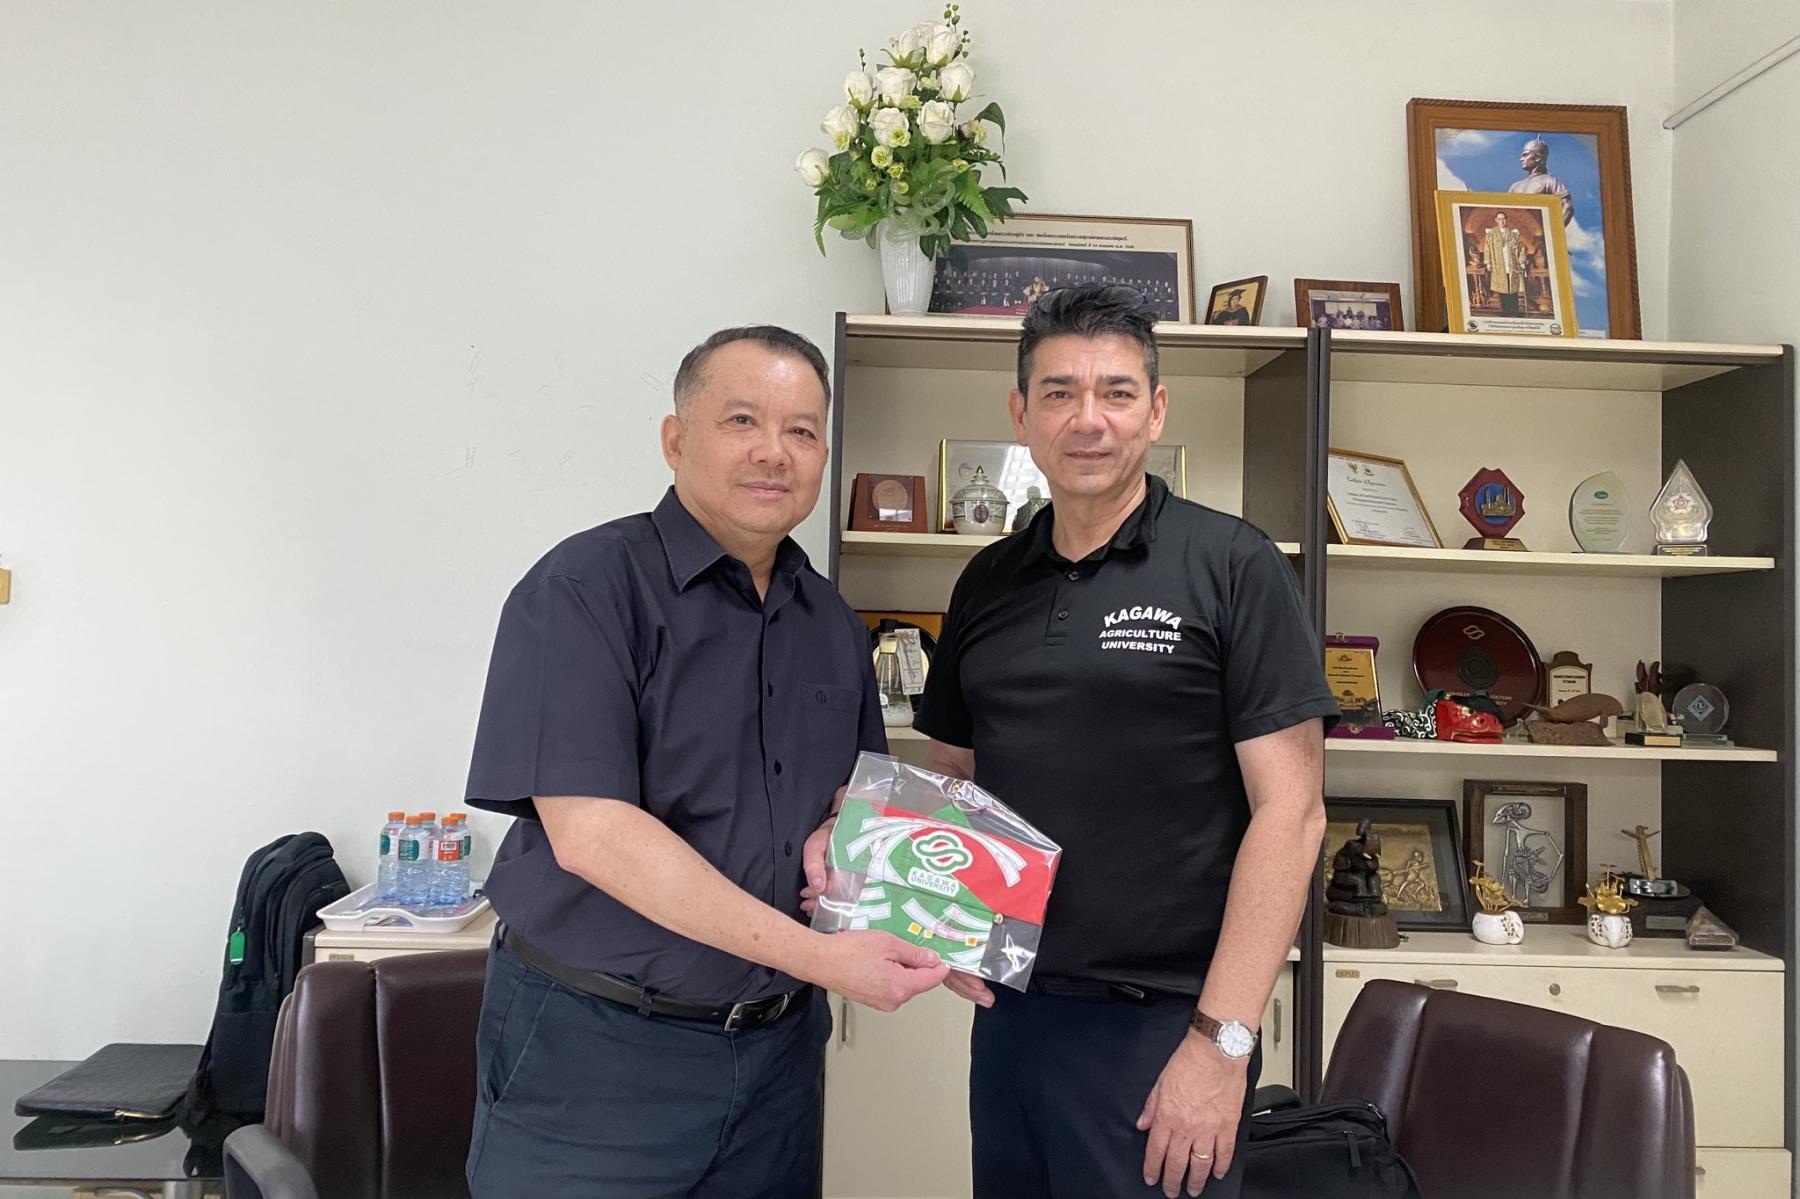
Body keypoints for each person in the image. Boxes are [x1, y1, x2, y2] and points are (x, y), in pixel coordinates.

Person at [462, 325, 949, 1196]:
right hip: (598, 1054)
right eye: (742, 420)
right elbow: (592, 834)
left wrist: (867, 859)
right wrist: (824, 959)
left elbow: (851, 798)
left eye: (802, 430)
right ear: (675, 439)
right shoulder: (584, 588)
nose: (774, 452)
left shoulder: (833, 623)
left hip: (778, 1063)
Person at [906, 284, 1338, 1198]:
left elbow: (1293, 813)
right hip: (1013, 1020)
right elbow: (954, 771)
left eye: (1116, 392)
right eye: (1059, 392)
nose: (1088, 419)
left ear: (1157, 410)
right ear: (1022, 415)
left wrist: (1221, 1043)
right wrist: (939, 917)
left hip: (1167, 1031)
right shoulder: (986, 580)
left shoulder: (1233, 564)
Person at [1508, 135, 1574, 226]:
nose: (1521, 159)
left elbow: (1567, 207)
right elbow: (1506, 211)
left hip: (1540, 231)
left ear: (1537, 158)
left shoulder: (1551, 182)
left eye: (1525, 155)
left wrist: (1553, 231)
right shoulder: (1514, 186)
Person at [1483, 211, 1528, 316]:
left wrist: (1521, 261)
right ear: (1496, 220)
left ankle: (1515, 311)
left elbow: (1521, 248)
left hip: (1511, 265)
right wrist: (1488, 263)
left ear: (1506, 220)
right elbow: (1487, 249)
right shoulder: (1491, 234)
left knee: (1513, 289)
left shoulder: (1513, 234)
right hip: (1498, 265)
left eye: (1503, 219)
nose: (1502, 221)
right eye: (1499, 219)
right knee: (1502, 289)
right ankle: (1506, 311)